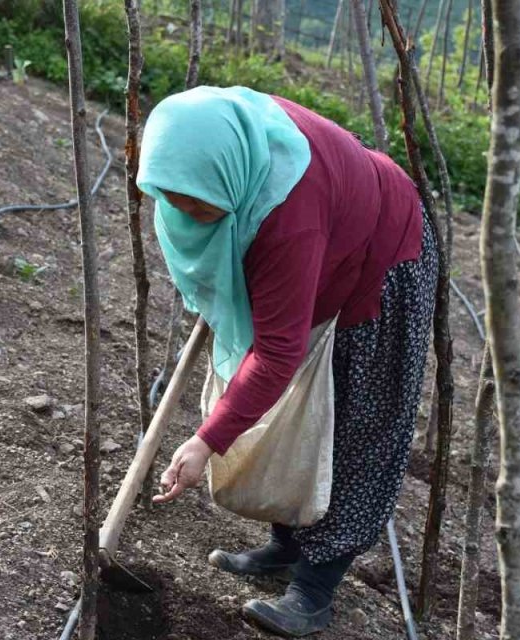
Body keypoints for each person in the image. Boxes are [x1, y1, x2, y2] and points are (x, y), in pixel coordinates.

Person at [135, 86, 436, 637]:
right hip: (330, 235)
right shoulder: (224, 142)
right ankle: (284, 548)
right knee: (292, 403)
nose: (186, 213)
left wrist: (206, 440)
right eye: (174, 198)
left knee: (357, 420)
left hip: (381, 259)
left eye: (199, 202)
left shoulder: (288, 214)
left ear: (231, 177)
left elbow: (277, 350)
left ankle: (315, 589)